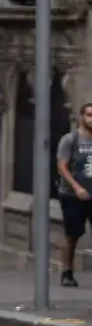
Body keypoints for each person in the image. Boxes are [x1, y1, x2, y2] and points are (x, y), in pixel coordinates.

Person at [58, 102, 92, 289]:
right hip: (72, 195)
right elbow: (62, 166)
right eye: (89, 115)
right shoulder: (71, 140)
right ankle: (67, 271)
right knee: (72, 235)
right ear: (82, 117)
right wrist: (77, 187)